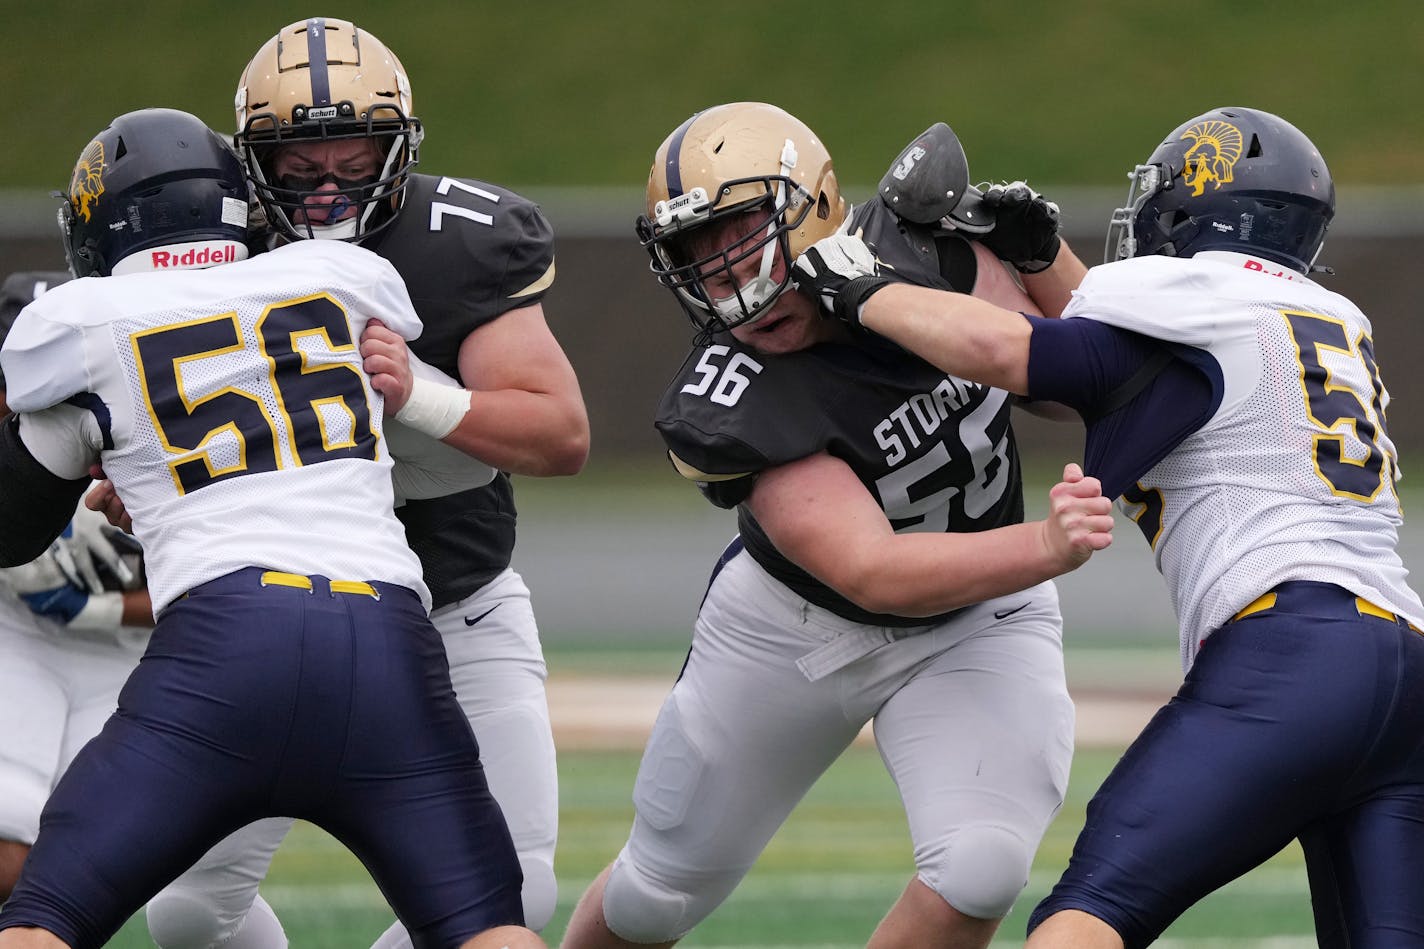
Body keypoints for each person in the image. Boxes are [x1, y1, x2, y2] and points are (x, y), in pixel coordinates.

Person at [789, 105, 1424, 948]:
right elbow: (1107, 352)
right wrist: (1043, 256)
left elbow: (1012, 350)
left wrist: (864, 290)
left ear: (1198, 212)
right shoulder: (1316, 321)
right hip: (1405, 670)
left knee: (1083, 922)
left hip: (1291, 657)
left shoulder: (1197, 303)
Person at [559, 101, 1113, 949]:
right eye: (696, 255)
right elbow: (871, 569)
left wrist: (1045, 260)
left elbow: (1081, 378)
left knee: (980, 867)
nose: (729, 278)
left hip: (978, 617)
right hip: (793, 630)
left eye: (741, 231)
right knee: (655, 896)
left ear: (812, 202)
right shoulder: (730, 395)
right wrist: (1043, 545)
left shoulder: (926, 253)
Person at [0, 107, 544, 949]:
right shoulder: (341, 276)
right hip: (388, 639)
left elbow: (12, 525)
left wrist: (110, 463)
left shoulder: (80, 324)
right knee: (489, 928)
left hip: (225, 651)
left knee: (44, 918)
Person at [136, 17, 589, 949]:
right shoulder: (209, 249)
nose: (330, 181)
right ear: (252, 162)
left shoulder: (461, 241)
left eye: (356, 152)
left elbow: (561, 433)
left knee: (511, 892)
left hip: (456, 609)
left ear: (403, 146)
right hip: (278, 614)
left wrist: (419, 394)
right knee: (186, 912)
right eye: (299, 164)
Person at [0, 272, 156, 902]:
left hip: (137, 656)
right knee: (9, 845)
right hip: (18, 638)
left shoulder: (156, 420)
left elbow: (210, 579)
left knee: (88, 871)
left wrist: (98, 609)